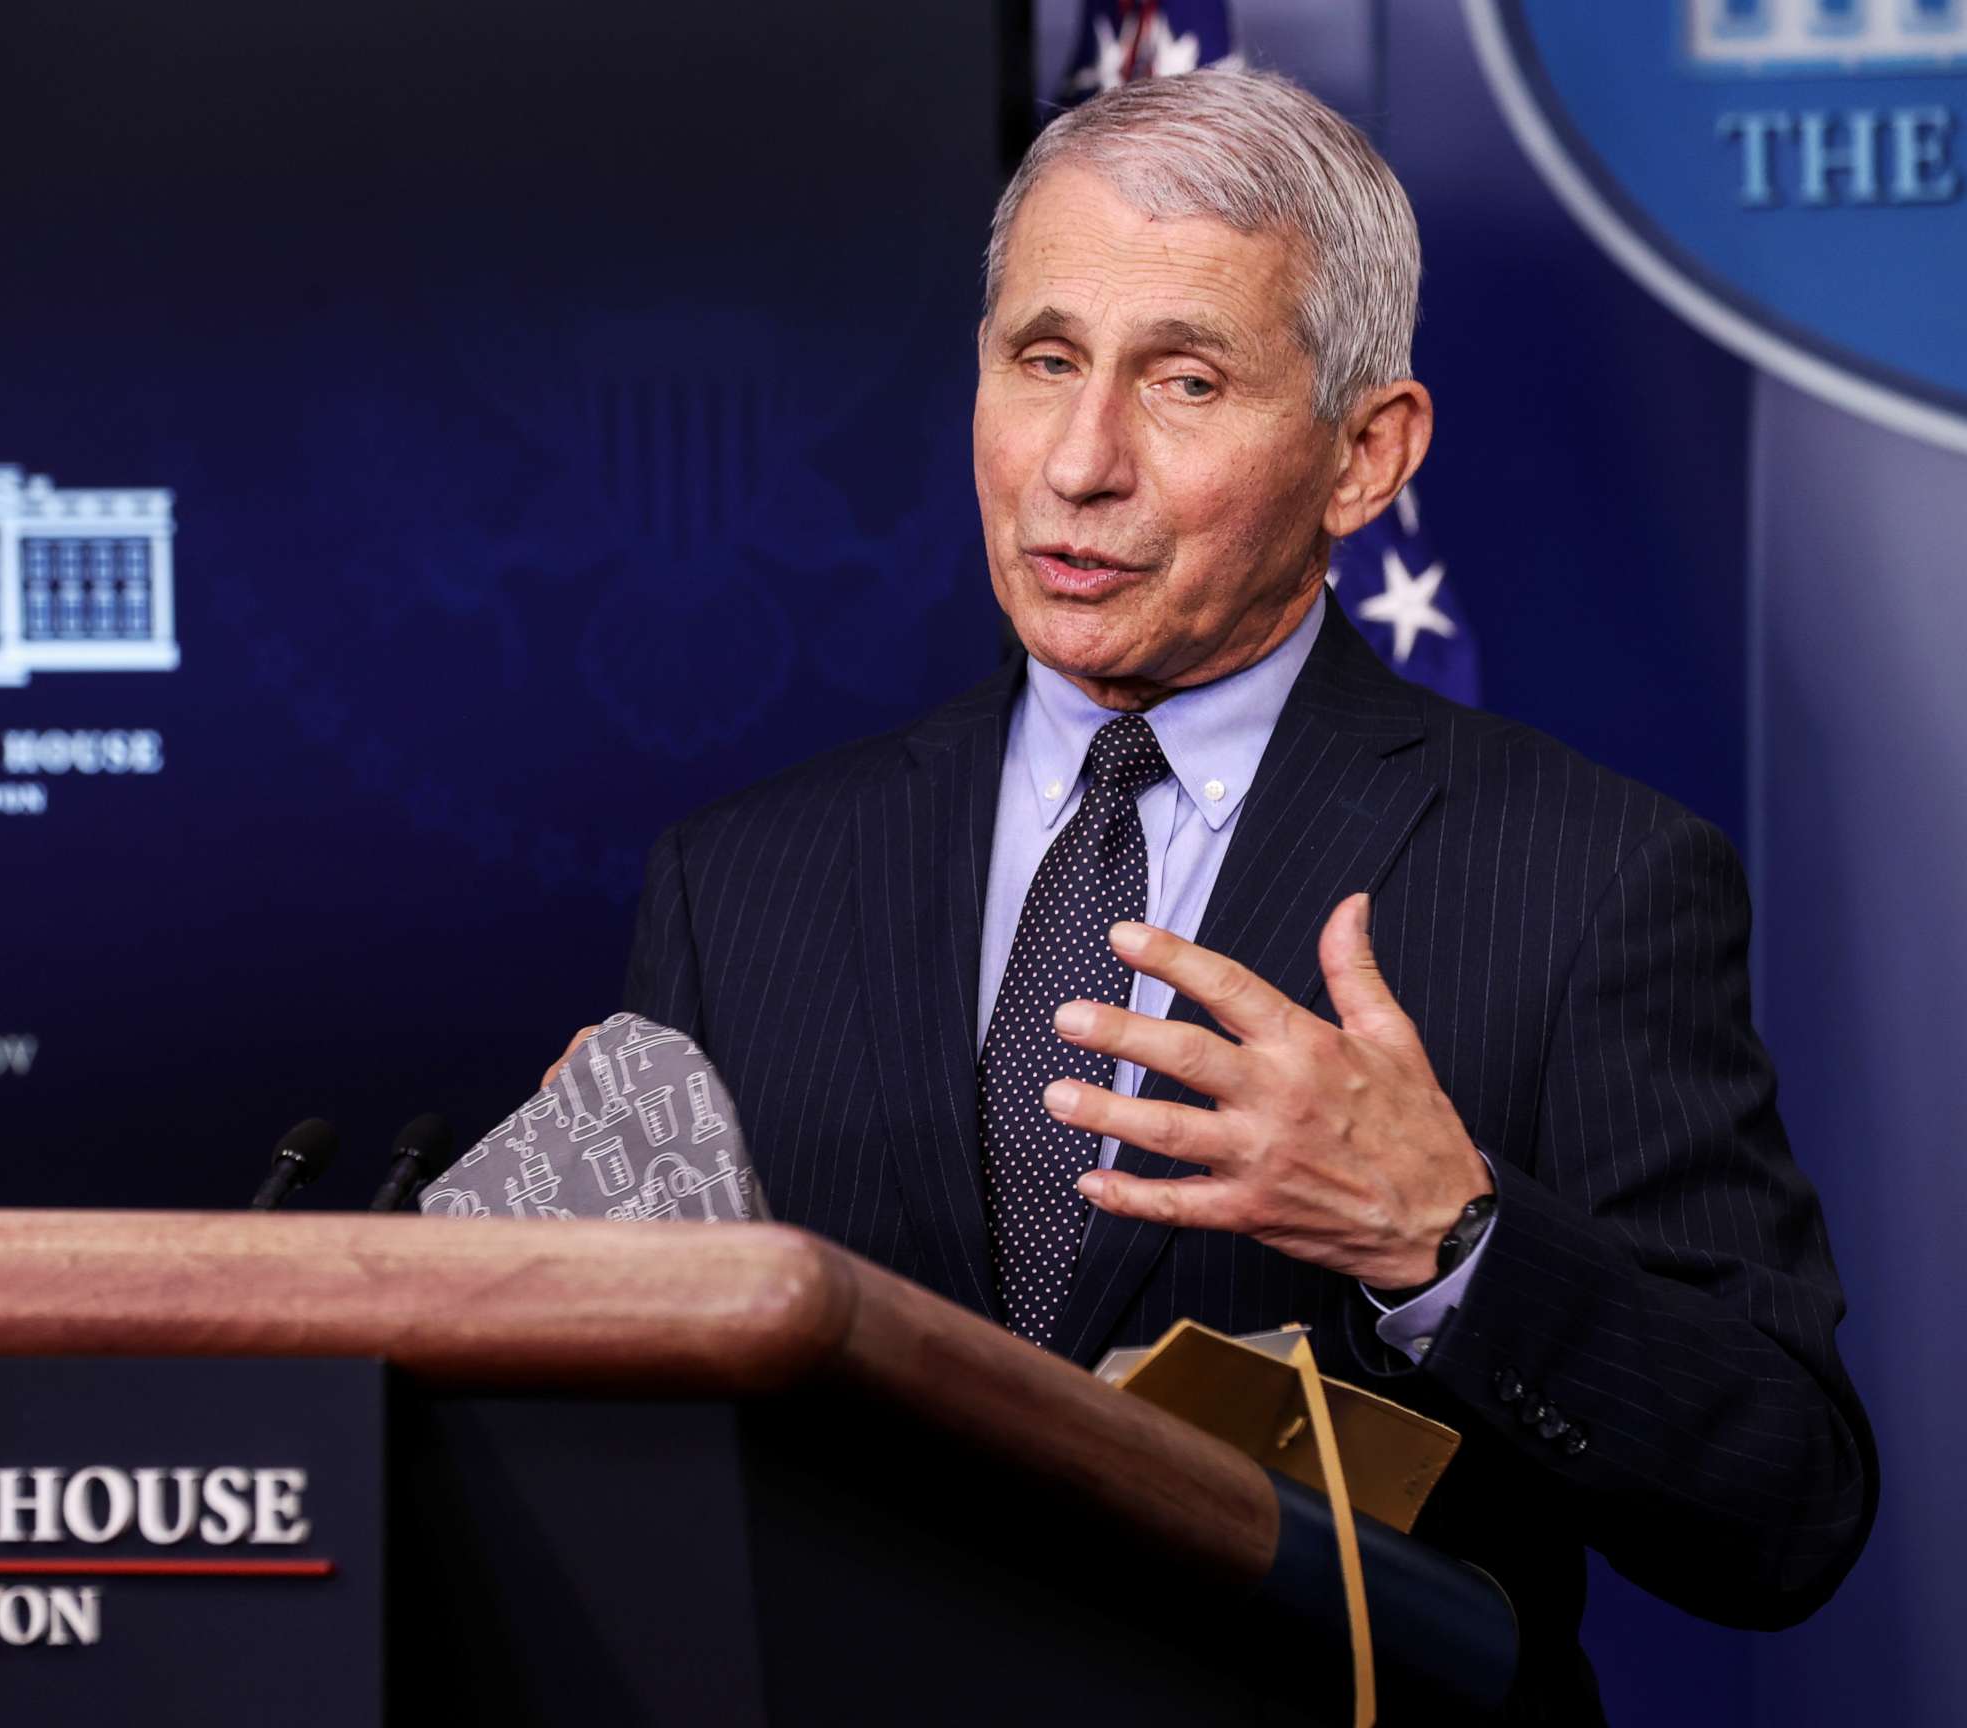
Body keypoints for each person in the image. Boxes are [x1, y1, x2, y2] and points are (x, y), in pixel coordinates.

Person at [584, 67, 1873, 1720]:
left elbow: (1788, 1510)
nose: (1078, 461)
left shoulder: (1593, 879)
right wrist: (579, 1266)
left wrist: (1451, 1240)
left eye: (1184, 382)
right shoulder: (741, 880)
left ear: (1364, 455)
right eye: (1041, 362)